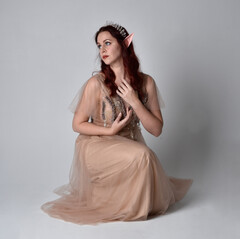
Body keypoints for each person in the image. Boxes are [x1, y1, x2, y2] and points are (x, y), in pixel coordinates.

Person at [41, 22, 193, 225]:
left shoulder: (146, 83)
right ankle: (128, 209)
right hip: (97, 145)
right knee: (143, 156)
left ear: (125, 43)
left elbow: (156, 130)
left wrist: (135, 102)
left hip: (129, 141)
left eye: (107, 43)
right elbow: (77, 124)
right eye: (99, 45)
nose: (102, 50)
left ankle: (126, 202)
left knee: (144, 157)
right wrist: (109, 129)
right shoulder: (96, 83)